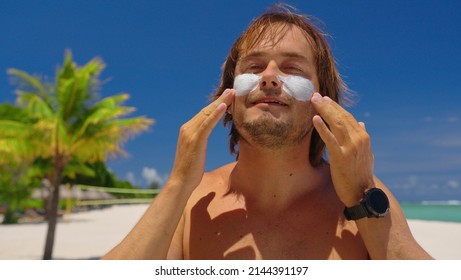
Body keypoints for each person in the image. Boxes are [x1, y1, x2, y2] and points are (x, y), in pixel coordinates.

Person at [102, 4, 432, 260]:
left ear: (322, 101)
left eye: (292, 68)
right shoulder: (191, 199)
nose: (270, 78)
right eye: (254, 67)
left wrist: (362, 197)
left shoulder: (366, 197)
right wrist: (178, 183)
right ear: (228, 99)